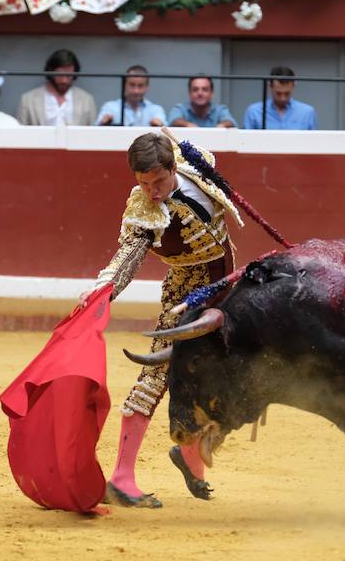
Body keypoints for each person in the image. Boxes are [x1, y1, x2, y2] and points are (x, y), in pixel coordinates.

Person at [79, 132, 245, 508]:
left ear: (173, 168)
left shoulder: (194, 164)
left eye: (158, 181)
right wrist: (103, 291)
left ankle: (190, 455)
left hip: (224, 291)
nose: (151, 191)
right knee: (156, 376)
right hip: (184, 300)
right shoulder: (145, 211)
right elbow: (128, 256)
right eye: (142, 183)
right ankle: (121, 477)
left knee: (225, 374)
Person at [17, 49, 96, 126]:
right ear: (50, 71)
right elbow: (20, 134)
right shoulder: (28, 99)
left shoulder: (86, 100)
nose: (64, 80)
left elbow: (93, 134)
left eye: (69, 75)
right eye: (60, 74)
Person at [242, 66, 317, 130]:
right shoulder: (254, 112)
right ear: (270, 86)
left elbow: (313, 143)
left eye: (287, 93)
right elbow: (245, 143)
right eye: (278, 93)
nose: (282, 98)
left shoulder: (307, 113)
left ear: (294, 86)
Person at [96, 65, 166, 127]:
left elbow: (166, 134)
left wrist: (159, 126)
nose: (136, 91)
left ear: (147, 87)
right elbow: (96, 131)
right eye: (132, 85)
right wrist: (104, 124)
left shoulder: (156, 110)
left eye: (140, 86)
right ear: (124, 85)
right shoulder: (110, 107)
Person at [168, 76, 237, 128]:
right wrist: (187, 125)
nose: (200, 93)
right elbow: (173, 121)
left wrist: (221, 126)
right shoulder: (180, 108)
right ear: (189, 93)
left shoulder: (221, 110)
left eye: (205, 89)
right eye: (195, 89)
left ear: (212, 93)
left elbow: (230, 122)